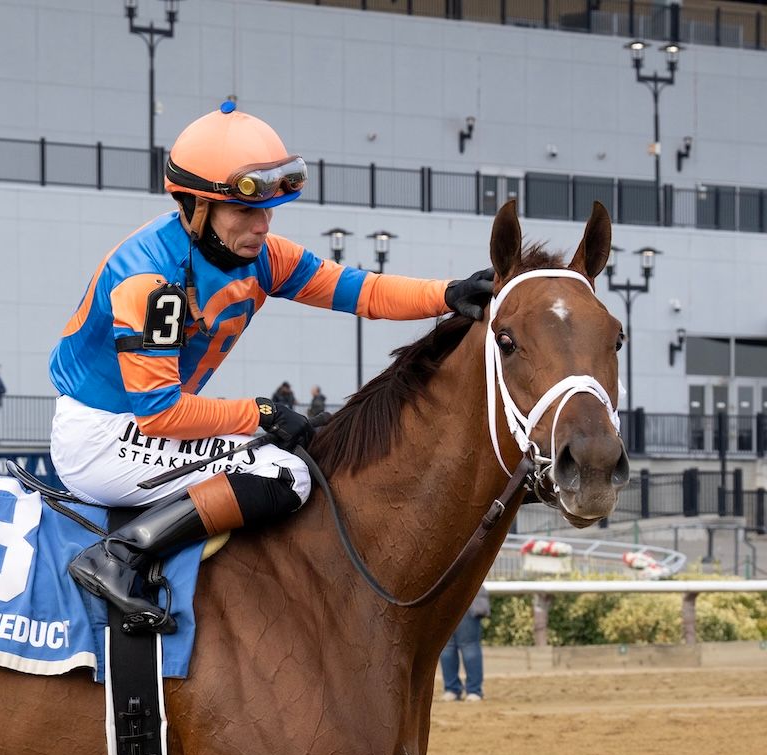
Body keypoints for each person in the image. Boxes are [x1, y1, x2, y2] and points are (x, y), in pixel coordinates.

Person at [48, 101, 494, 631]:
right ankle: (119, 556)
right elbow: (160, 415)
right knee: (286, 474)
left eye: (268, 212)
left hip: (140, 427)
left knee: (292, 457)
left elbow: (359, 290)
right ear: (195, 208)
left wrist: (447, 294)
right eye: (245, 212)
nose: (262, 227)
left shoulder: (264, 256)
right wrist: (261, 412)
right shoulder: (149, 281)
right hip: (102, 437)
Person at [440, 587, 491, 702]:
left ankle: (452, 689)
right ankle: (473, 690)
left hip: (443, 599)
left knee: (447, 647)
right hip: (468, 597)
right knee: (469, 646)